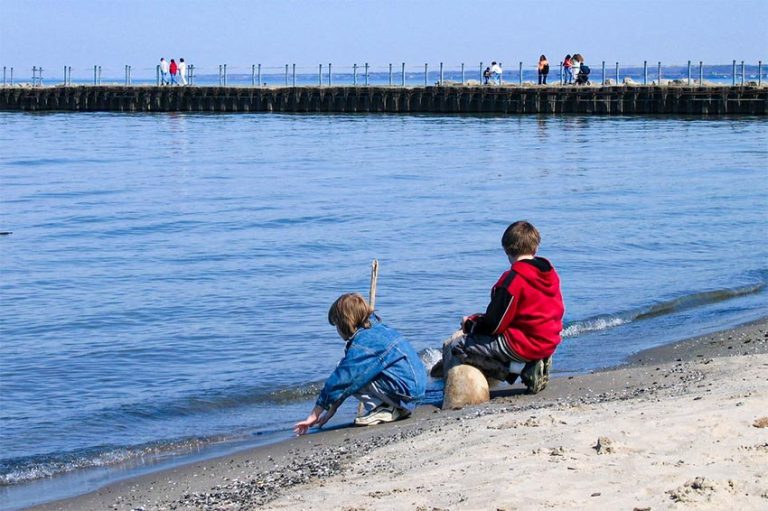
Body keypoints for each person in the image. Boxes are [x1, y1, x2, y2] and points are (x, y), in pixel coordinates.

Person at [443, 221, 564, 394]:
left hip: (525, 343)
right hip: (549, 339)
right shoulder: (549, 273)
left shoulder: (513, 280)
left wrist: (470, 325)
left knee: (458, 346)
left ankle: (521, 369)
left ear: (506, 250)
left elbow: (495, 325)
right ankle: (532, 362)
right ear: (535, 248)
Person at [294, 293, 427, 435]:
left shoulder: (365, 343)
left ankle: (384, 408)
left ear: (345, 322)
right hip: (414, 390)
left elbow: (342, 379)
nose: (337, 330)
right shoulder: (379, 329)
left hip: (405, 392)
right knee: (355, 370)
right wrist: (331, 411)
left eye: (337, 325)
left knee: (348, 370)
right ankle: (395, 407)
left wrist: (314, 414)